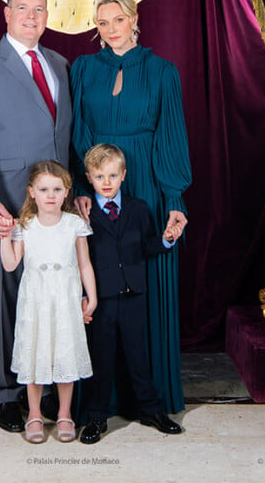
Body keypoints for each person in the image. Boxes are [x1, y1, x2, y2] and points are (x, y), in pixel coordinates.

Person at [71, 0, 191, 418]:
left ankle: (152, 399)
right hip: (98, 189)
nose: (110, 30)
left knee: (148, 286)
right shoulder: (83, 69)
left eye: (117, 20)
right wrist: (84, 191)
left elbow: (171, 134)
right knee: (100, 284)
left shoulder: (162, 71)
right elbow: (78, 133)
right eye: (102, 23)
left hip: (149, 189)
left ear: (134, 19)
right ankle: (100, 403)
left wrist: (174, 197)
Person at [0, 0, 72, 434]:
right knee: (7, 304)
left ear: (48, 15)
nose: (31, 15)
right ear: (6, 14)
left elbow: (62, 139)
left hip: (54, 210)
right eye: (22, 8)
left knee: (54, 299)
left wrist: (72, 191)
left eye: (39, 9)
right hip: (3, 208)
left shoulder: (60, 64)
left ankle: (50, 397)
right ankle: (8, 395)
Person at [79, 144, 182, 444]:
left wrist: (164, 241)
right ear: (89, 178)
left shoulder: (138, 208)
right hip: (103, 301)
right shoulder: (83, 214)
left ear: (124, 175)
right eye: (99, 176)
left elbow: (145, 247)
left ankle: (151, 410)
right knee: (102, 359)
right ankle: (96, 417)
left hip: (135, 296)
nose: (107, 182)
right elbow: (81, 260)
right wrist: (83, 297)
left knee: (139, 356)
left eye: (112, 175)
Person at [0, 160, 97, 444]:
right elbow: (10, 265)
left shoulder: (74, 224)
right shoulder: (26, 226)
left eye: (57, 188)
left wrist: (91, 297)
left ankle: (65, 414)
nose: (50, 195)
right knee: (36, 356)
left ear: (66, 191)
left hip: (66, 300)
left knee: (64, 354)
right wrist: (5, 238)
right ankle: (34, 415)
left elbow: (84, 264)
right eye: (44, 189)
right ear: (32, 192)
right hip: (36, 303)